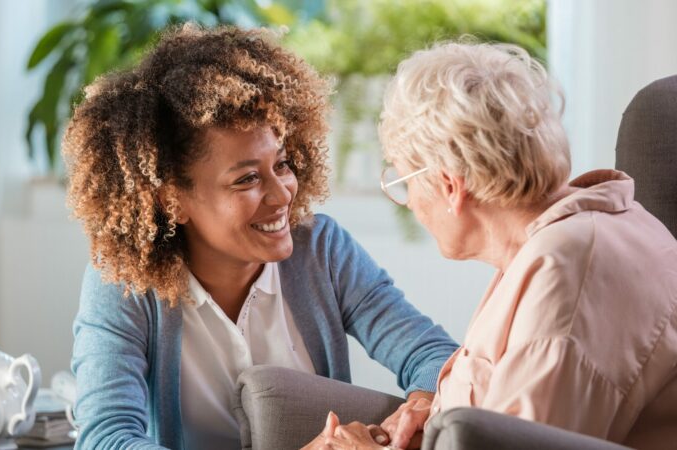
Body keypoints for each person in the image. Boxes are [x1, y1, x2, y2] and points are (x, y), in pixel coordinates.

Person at [64, 24, 459, 450]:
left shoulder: (322, 251)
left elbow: (435, 356)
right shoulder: (125, 285)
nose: (281, 193)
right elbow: (106, 437)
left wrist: (414, 412)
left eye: (283, 164)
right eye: (247, 178)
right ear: (172, 200)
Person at [305, 41, 677, 449]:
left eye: (403, 180)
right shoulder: (567, 237)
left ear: (449, 186)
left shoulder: (564, 277)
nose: (409, 201)